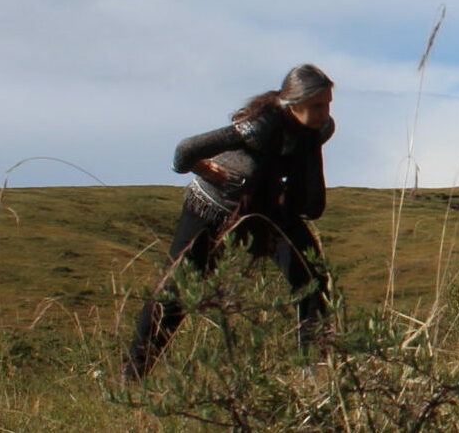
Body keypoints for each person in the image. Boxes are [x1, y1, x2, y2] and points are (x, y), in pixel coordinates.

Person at [126, 64, 338, 380]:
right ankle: (133, 375)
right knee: (178, 290)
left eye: (328, 104)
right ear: (293, 104)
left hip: (266, 206)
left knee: (310, 277)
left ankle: (313, 372)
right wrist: (203, 168)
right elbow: (185, 151)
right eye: (317, 105)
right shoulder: (256, 127)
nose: (324, 112)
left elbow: (310, 199)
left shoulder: (317, 131)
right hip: (213, 205)